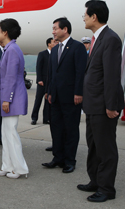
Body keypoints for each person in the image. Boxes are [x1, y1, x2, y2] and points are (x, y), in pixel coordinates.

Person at [78, 0, 124, 203]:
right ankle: (95, 180)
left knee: (105, 149)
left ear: (94, 16)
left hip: (104, 106)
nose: (84, 18)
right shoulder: (98, 38)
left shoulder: (110, 39)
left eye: (85, 15)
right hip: (93, 105)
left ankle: (106, 189)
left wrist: (111, 106)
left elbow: (112, 76)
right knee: (93, 145)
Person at [0, 18, 29, 179]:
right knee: (5, 134)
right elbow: (2, 74)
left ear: (5, 32)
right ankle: (7, 166)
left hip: (12, 98)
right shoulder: (10, 49)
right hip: (11, 97)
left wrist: (6, 100)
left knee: (11, 134)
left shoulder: (12, 50)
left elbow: (10, 77)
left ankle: (20, 169)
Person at [43, 18, 87, 174]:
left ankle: (70, 160)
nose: (53, 31)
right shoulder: (54, 49)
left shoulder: (78, 47)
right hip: (55, 97)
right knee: (56, 128)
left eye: (55, 28)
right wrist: (48, 91)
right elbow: (51, 73)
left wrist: (78, 92)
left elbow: (80, 73)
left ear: (65, 29)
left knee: (70, 129)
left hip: (71, 97)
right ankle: (58, 158)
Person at [31, 38, 56, 125]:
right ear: (49, 44)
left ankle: (46, 118)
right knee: (38, 100)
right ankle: (34, 118)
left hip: (51, 81)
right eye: (54, 42)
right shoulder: (42, 54)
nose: (56, 43)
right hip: (43, 81)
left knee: (48, 101)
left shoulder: (55, 54)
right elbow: (39, 67)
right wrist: (39, 80)